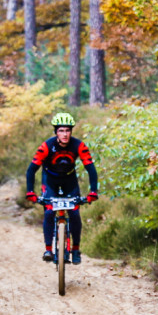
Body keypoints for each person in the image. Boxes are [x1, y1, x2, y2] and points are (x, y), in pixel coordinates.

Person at [25, 112, 99, 264]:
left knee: (75, 214)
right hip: (50, 181)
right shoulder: (47, 146)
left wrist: (93, 192)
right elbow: (31, 169)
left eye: (67, 130)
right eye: (61, 130)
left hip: (69, 181)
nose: (65, 134)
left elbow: (91, 168)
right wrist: (30, 191)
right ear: (56, 132)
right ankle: (48, 249)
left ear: (71, 131)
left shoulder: (79, 145)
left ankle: (76, 249)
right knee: (49, 212)